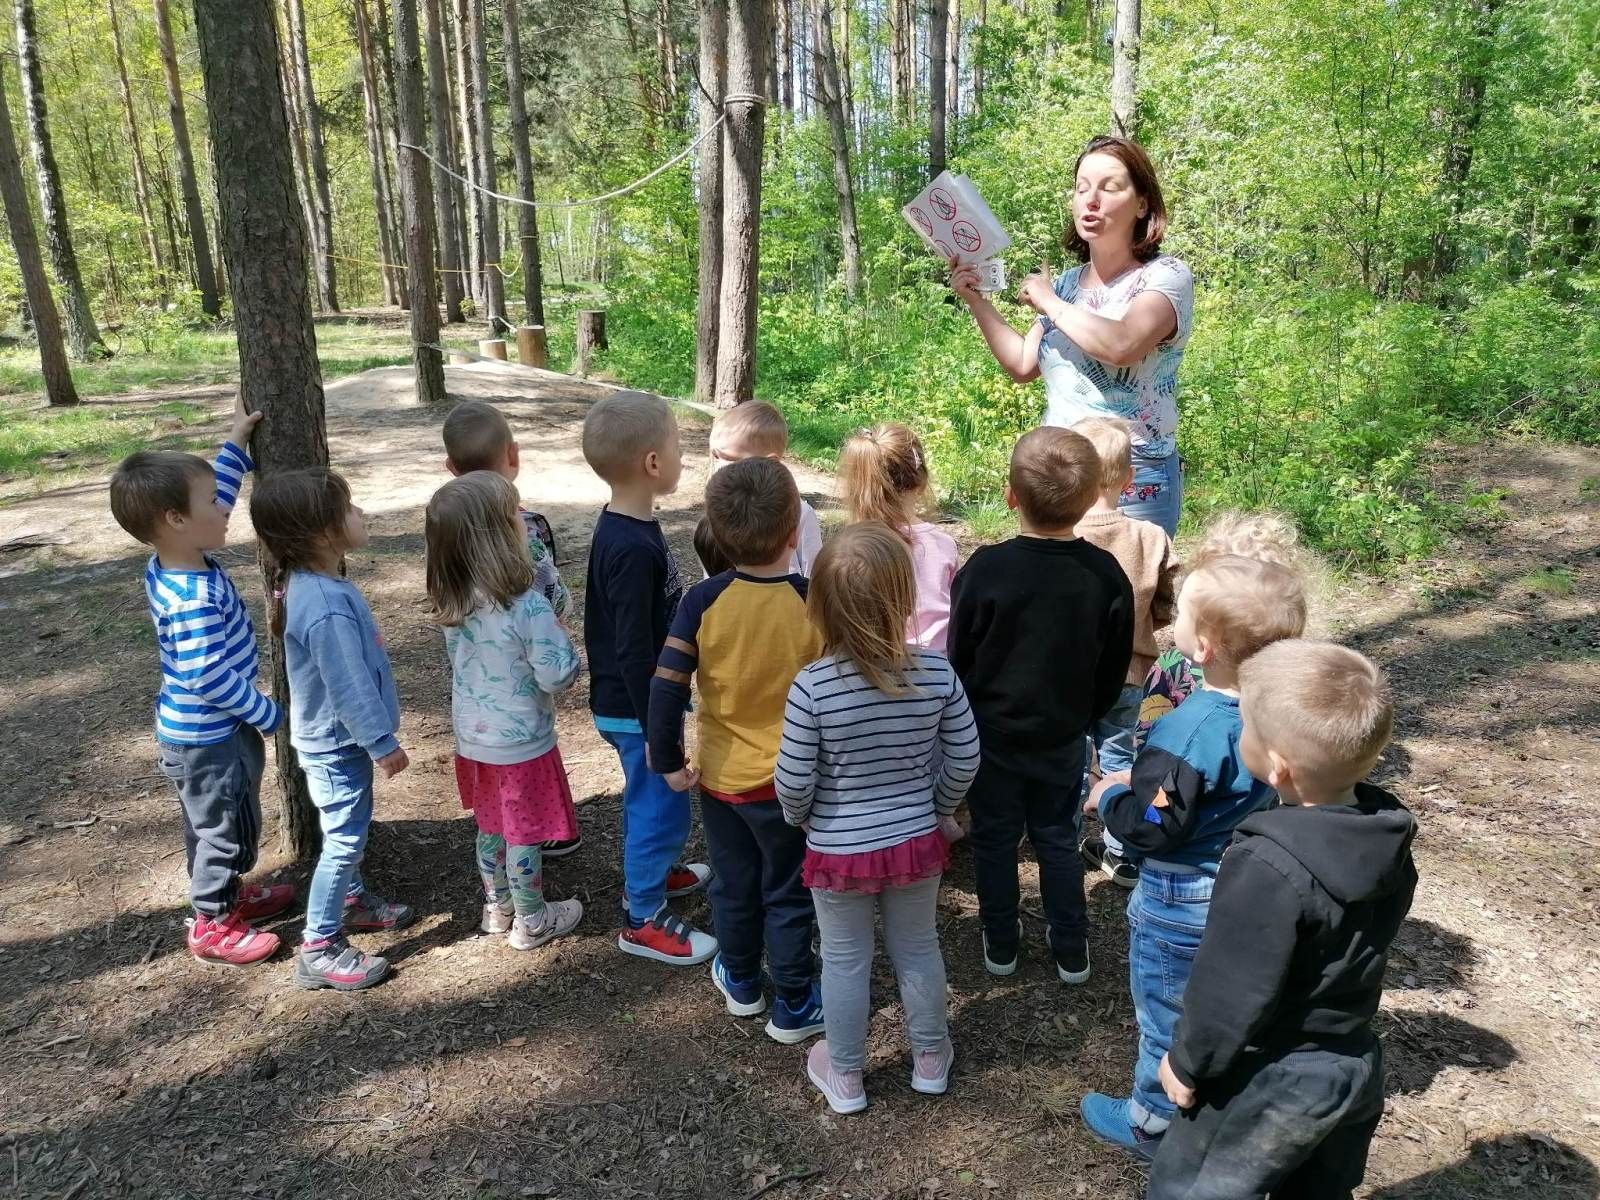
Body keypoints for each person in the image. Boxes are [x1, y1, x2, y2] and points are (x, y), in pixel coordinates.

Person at [1148, 640, 1416, 1200]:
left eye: (1246, 726)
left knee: (1190, 1190)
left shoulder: (1267, 864)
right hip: (1351, 1064)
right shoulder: (1385, 835)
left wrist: (1188, 1062)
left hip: (1270, 1078)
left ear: (1276, 767)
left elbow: (1230, 986)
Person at [1080, 553, 1308, 1158]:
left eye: (1178, 612)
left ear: (1202, 646)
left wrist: (1111, 798)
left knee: (1167, 1011)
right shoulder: (1276, 711)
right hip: (1243, 882)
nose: (1170, 620)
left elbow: (1155, 828)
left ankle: (1150, 1123)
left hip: (1180, 898)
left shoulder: (1189, 729)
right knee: (1220, 999)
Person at [776, 522, 980, 1114]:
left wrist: (804, 818)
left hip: (837, 848)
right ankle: (931, 1058)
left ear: (819, 605)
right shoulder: (937, 672)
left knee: (844, 960)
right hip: (917, 839)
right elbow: (966, 756)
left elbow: (793, 780)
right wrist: (938, 807)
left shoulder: (812, 687)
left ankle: (845, 1075)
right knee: (918, 947)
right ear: (903, 598)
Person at [947, 427, 1134, 984]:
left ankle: (1001, 941)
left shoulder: (986, 568)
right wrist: (1086, 717)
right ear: (1091, 498)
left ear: (1011, 495)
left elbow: (959, 653)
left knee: (994, 838)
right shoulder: (1105, 574)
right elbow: (1114, 665)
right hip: (1063, 735)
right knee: (1057, 838)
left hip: (992, 735)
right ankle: (1071, 946)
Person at [109, 395, 291, 966]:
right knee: (221, 829)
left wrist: (235, 443)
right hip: (208, 737)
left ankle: (229, 894)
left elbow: (219, 496)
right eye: (212, 502)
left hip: (208, 733)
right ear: (176, 520)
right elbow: (205, 673)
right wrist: (267, 714)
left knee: (224, 818)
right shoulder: (190, 598)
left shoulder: (178, 556)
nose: (226, 508)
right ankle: (212, 922)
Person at [648, 458, 825, 1042]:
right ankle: (795, 1001)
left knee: (733, 882)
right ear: (795, 532)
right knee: (789, 891)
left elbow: (667, 685)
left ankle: (742, 980)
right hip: (794, 782)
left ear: (717, 537)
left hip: (722, 778)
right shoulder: (813, 601)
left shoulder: (702, 601)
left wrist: (666, 759)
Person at [950, 135, 1194, 537]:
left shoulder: (1166, 277)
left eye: (1109, 187)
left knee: (1128, 580)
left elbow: (1122, 345)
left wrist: (1049, 302)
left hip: (1131, 477)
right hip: (1058, 473)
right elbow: (1023, 364)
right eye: (1082, 188)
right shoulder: (1065, 284)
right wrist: (976, 301)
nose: (1091, 200)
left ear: (1142, 203)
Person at [251, 469, 414, 992]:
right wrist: (381, 742)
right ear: (322, 532)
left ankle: (351, 900)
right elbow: (347, 684)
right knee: (344, 839)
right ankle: (319, 947)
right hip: (339, 743)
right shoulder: (322, 603)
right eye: (350, 508)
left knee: (345, 831)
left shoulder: (318, 587)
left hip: (335, 740)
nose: (360, 514)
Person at [580, 391, 715, 965]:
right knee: (659, 805)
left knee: (657, 803)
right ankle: (642, 917)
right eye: (678, 446)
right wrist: (662, 741)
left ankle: (655, 874)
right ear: (653, 463)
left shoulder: (628, 524)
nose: (684, 456)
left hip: (638, 703)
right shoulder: (632, 548)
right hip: (638, 707)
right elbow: (635, 653)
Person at [425, 472, 585, 951]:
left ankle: (498, 907)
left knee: (491, 824)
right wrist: (569, 654)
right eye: (515, 514)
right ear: (499, 536)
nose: (524, 520)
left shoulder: (454, 601)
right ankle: (532, 919)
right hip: (522, 742)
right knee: (525, 831)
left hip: (474, 739)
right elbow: (556, 675)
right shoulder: (528, 606)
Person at [442, 399, 580, 859]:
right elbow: (555, 610)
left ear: (451, 468)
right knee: (522, 828)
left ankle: (494, 898)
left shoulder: (449, 534)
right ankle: (527, 901)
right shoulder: (525, 534)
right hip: (521, 724)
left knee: (490, 821)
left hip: (474, 726)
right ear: (513, 455)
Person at [1070, 417, 1179, 889]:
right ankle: (1120, 850)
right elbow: (1166, 604)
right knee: (1119, 759)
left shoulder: (1063, 535)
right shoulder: (1150, 538)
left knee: (1072, 760)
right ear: (1129, 478)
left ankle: (1064, 841)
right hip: (1129, 672)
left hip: (1071, 676)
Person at [1136, 511, 1302, 739]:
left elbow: (1147, 737)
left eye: (1181, 610)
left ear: (1203, 644)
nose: (1174, 615)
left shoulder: (1172, 667)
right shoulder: (1300, 685)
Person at [839, 422, 958, 651]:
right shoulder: (944, 545)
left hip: (870, 661)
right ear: (921, 483)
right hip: (938, 665)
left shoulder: (852, 547)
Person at [707, 401, 823, 576]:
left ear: (770, 463)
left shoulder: (800, 514)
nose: (719, 468)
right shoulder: (720, 508)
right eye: (716, 456)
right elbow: (710, 573)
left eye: (731, 460)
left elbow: (813, 576)